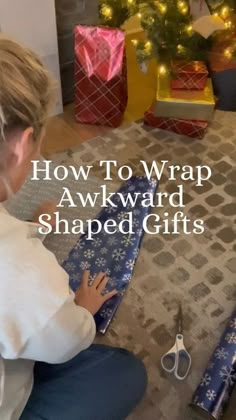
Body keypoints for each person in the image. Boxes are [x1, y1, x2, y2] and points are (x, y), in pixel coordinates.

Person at [0, 35, 147, 420]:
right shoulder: (24, 271)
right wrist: (81, 311)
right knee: (124, 372)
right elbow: (65, 342)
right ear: (22, 146)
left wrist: (32, 232)